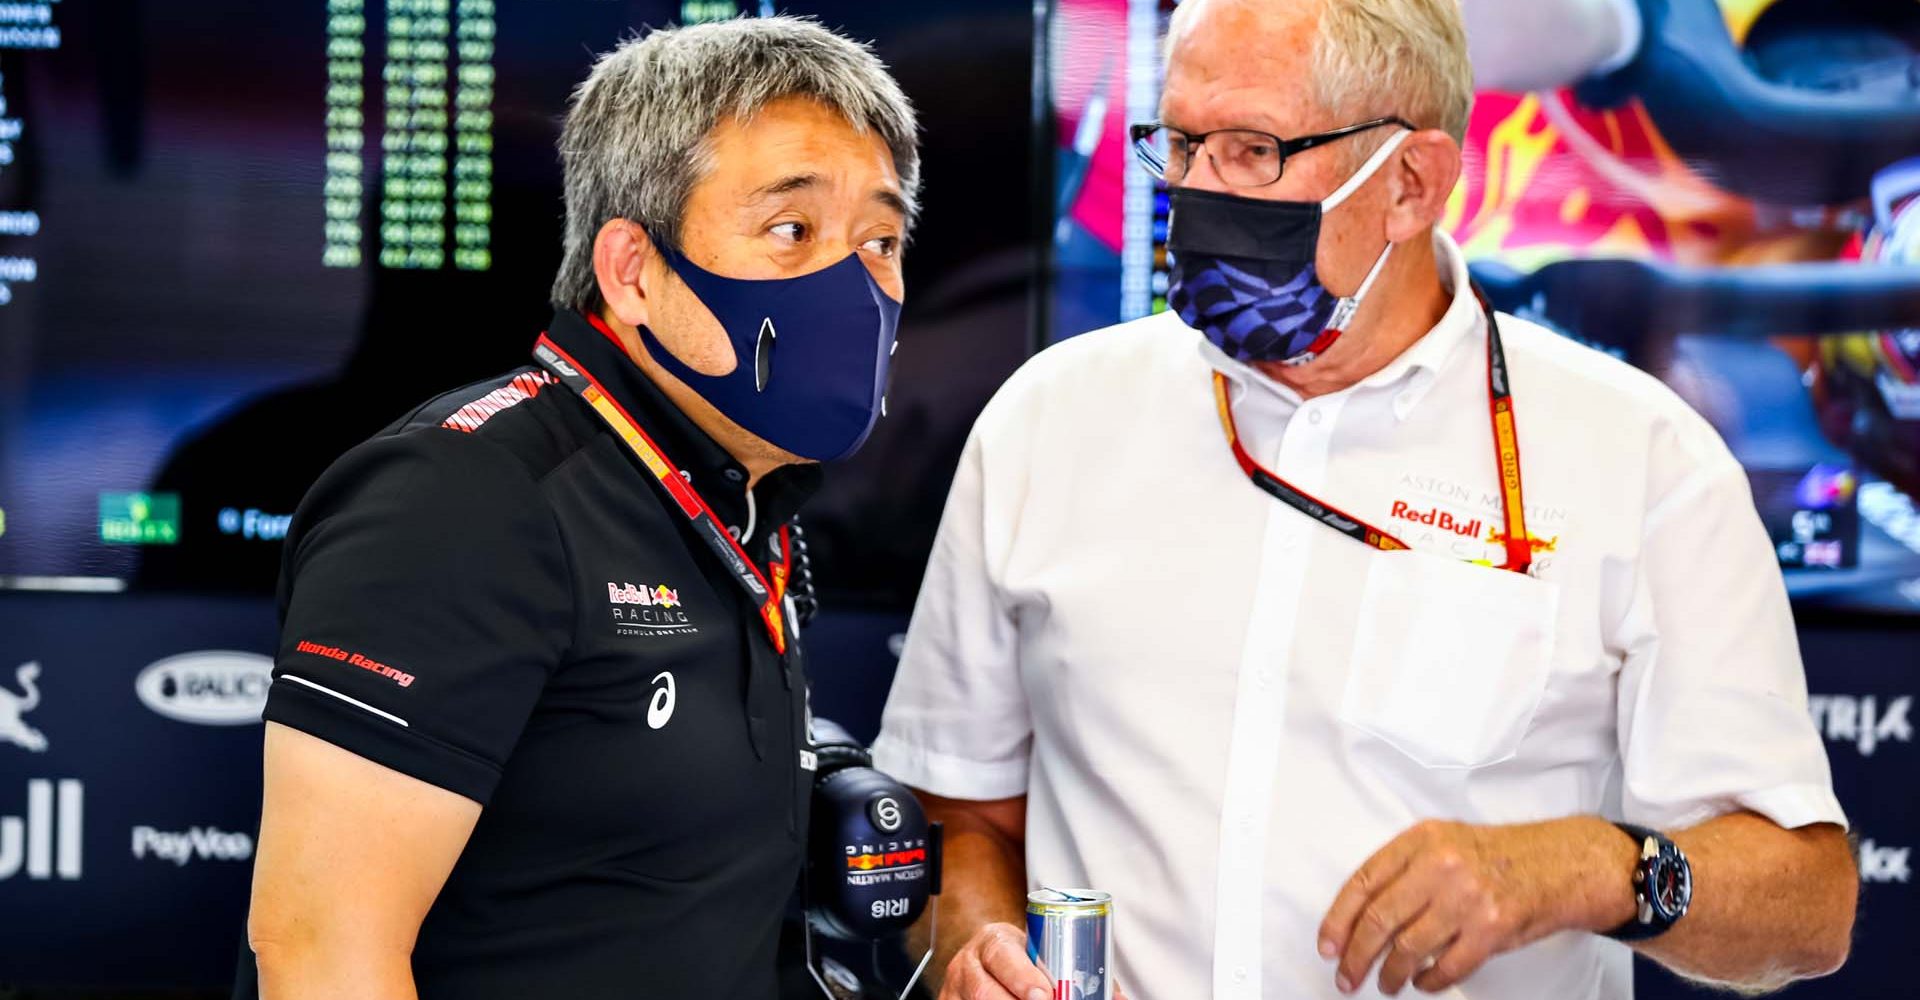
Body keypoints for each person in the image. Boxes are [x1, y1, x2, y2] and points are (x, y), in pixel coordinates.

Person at [871, 1, 1857, 998]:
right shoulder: (1052, 418)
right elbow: (955, 812)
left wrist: (1594, 867)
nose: (1197, 189)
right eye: (1180, 142)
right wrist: (977, 949)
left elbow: (1807, 907)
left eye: (1254, 149)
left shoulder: (1640, 457)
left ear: (1412, 182)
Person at [237, 17, 919, 1000]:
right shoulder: (465, 498)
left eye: (881, 240)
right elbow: (317, 951)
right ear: (633, 270)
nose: (854, 284)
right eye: (790, 230)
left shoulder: (740, 506)